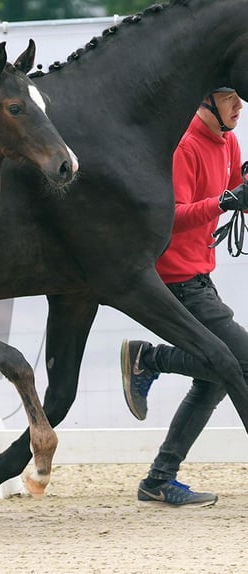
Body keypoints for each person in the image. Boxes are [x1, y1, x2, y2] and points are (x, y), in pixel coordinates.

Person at [120, 86, 248, 506]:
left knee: (214, 380)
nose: (240, 105)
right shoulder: (185, 145)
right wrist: (227, 200)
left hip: (200, 277)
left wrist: (241, 195)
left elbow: (234, 197)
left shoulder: (228, 141)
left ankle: (158, 479)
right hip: (177, 278)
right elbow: (171, 217)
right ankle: (151, 358)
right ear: (206, 101)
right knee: (238, 361)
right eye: (230, 97)